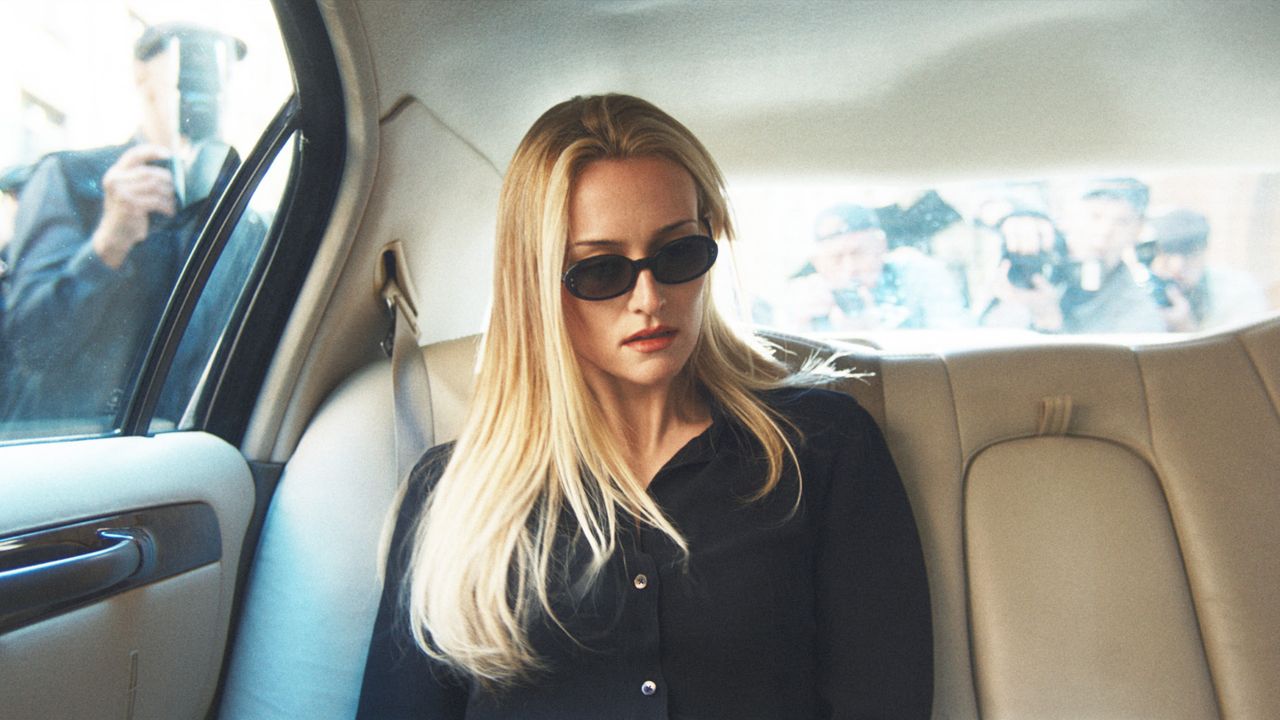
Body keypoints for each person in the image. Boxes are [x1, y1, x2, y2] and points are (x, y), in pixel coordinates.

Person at [358, 94, 933, 718]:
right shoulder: (453, 494)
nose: (650, 298)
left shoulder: (819, 447)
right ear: (536, 282)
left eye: (678, 254)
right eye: (601, 270)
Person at [1, 24, 245, 424]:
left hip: (189, 444)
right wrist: (108, 244)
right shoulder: (73, 178)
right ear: (142, 75)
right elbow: (31, 345)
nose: (207, 82)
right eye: (190, 61)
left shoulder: (234, 208)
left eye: (221, 68)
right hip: (80, 444)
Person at [982, 179, 1165, 333]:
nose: (1105, 231)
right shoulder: (1029, 263)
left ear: (1138, 229)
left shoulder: (1137, 311)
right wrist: (1010, 218)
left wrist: (1049, 323)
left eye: (1122, 222)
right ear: (1067, 215)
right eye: (1095, 216)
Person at [774, 203, 969, 332]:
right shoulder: (802, 296)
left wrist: (875, 332)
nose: (850, 268)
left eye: (859, 253)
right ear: (818, 263)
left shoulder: (918, 274)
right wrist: (800, 327)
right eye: (836, 258)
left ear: (881, 247)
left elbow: (952, 337)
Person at [1142, 207, 1267, 332]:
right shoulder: (1139, 291)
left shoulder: (1238, 291)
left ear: (1204, 250)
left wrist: (1185, 328)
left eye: (1189, 254)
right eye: (1167, 253)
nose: (1177, 266)